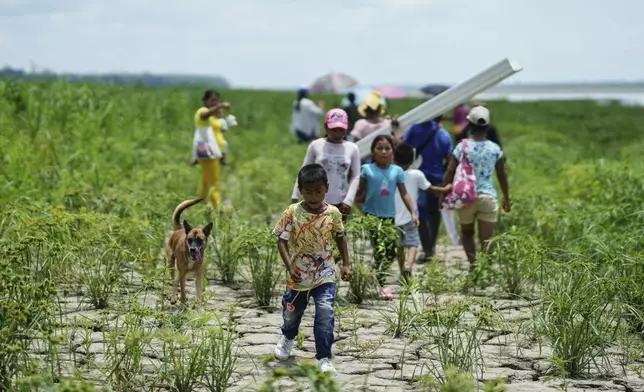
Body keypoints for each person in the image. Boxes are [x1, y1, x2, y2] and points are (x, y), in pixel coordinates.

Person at [273, 164, 351, 375]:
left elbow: (340, 237)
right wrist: (289, 265)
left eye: (318, 191)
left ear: (326, 188)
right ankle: (288, 337)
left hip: (325, 272)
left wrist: (346, 263)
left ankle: (324, 357)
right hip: (298, 273)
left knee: (325, 311)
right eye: (308, 192)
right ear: (300, 190)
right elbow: (281, 240)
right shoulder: (293, 212)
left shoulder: (333, 213)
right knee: (292, 312)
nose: (314, 196)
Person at [442, 106, 511, 268]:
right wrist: (507, 198)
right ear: (487, 127)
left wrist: (443, 194)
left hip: (466, 198)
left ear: (470, 126)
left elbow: (450, 170)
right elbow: (502, 174)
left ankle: (473, 266)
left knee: (467, 233)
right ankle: (486, 270)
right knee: (486, 239)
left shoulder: (462, 146)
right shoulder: (495, 148)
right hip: (488, 198)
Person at [355, 135, 418, 299]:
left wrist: (412, 212)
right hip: (373, 218)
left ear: (393, 152)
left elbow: (404, 194)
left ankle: (378, 271)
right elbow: (358, 193)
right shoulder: (367, 170)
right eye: (379, 148)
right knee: (379, 250)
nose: (383, 152)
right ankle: (383, 284)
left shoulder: (396, 171)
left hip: (390, 217)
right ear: (373, 152)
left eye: (387, 148)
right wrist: (362, 209)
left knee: (391, 250)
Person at [393, 143, 452, 278]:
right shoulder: (417, 174)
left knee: (399, 245)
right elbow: (431, 189)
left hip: (394, 217)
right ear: (412, 159)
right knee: (412, 243)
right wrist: (446, 189)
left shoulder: (392, 173)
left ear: (394, 159)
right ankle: (409, 266)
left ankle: (403, 269)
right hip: (411, 216)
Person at [291, 109, 360, 219]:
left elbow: (356, 176)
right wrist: (295, 196)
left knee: (338, 234)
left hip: (340, 203)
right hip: (315, 201)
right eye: (334, 129)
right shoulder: (316, 145)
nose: (337, 133)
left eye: (341, 130)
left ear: (347, 128)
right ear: (326, 127)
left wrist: (349, 200)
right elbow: (304, 170)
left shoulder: (352, 148)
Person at [401, 116, 453, 262]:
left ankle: (428, 248)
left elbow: (404, 148)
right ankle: (431, 247)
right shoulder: (444, 135)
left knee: (422, 212)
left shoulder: (415, 129)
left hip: (419, 176)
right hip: (438, 178)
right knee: (435, 213)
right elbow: (449, 159)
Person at [193, 90, 230, 208]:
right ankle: (217, 209)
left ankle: (199, 205)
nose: (215, 103)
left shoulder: (212, 116)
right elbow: (204, 115)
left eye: (217, 100)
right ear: (205, 101)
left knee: (205, 184)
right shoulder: (202, 111)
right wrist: (220, 106)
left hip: (213, 153)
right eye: (212, 100)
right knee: (214, 183)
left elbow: (218, 129)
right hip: (208, 153)